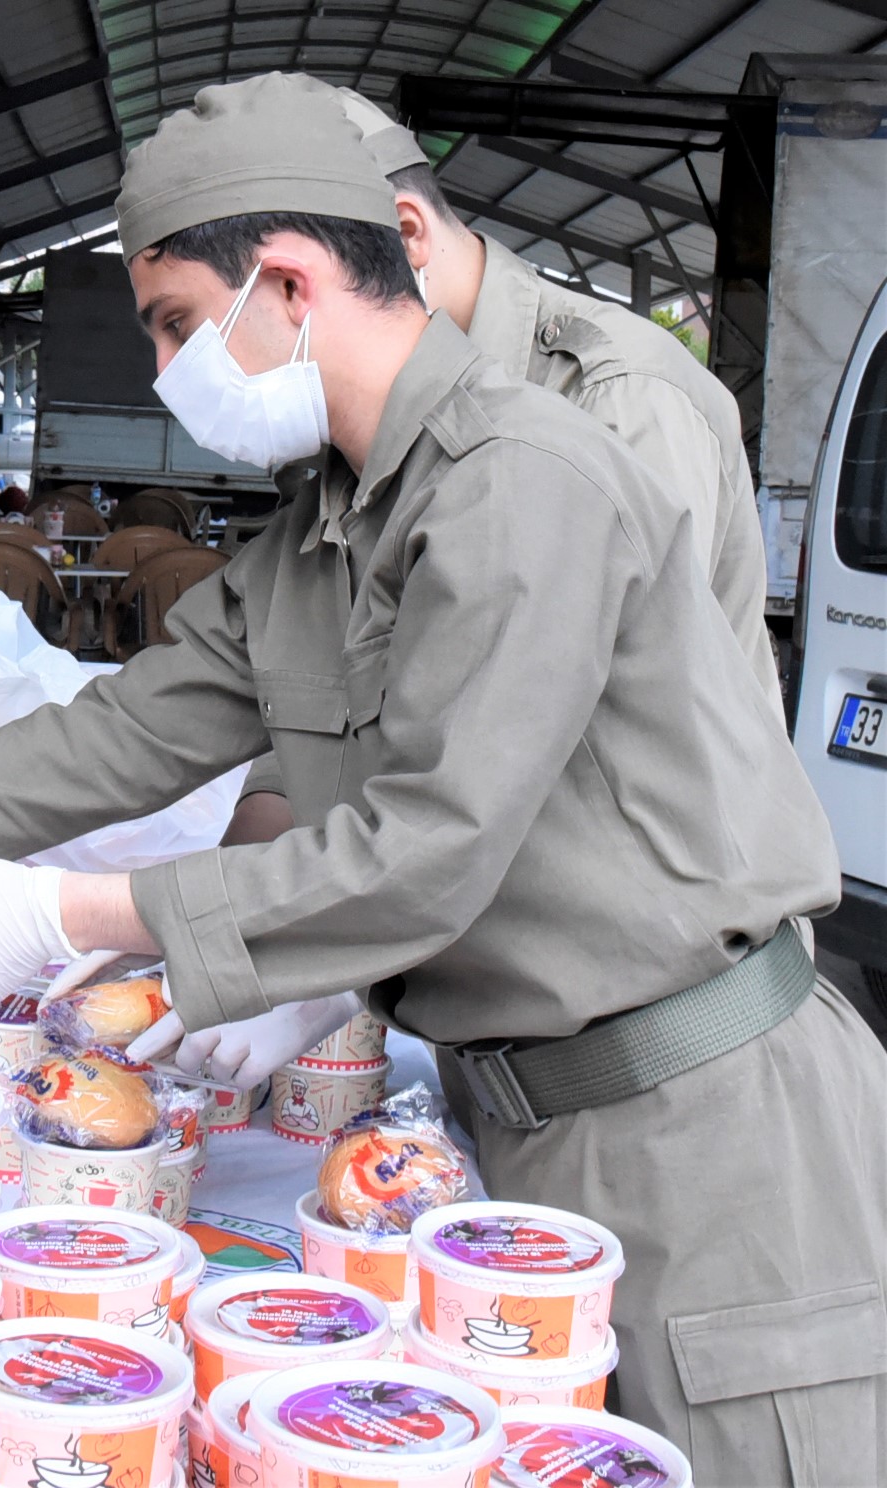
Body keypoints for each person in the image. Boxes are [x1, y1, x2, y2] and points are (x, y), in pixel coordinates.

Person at [0, 75, 887, 1483]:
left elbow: (427, 848)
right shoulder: (332, 521)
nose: (163, 371)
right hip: (523, 1111)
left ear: (294, 282)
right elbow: (124, 735)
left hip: (703, 1126)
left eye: (177, 322)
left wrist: (63, 916)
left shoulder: (530, 475)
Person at [143, 82, 793, 1097]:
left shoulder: (611, 400)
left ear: (398, 238)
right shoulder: (362, 434)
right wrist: (252, 931)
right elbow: (314, 698)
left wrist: (302, 956)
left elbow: (534, 745)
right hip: (489, 1009)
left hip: (663, 1028)